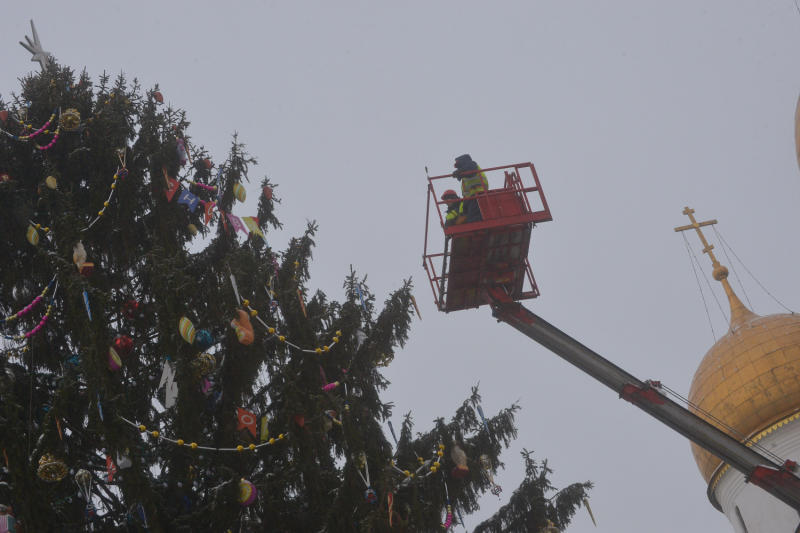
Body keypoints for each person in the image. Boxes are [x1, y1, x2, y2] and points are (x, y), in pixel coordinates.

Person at [453, 154, 488, 222]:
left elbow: (470, 170)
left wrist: (459, 172)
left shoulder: (472, 164)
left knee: (474, 217)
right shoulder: (465, 176)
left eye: (459, 166)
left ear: (463, 162)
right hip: (471, 198)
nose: (458, 168)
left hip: (478, 195)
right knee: (468, 215)